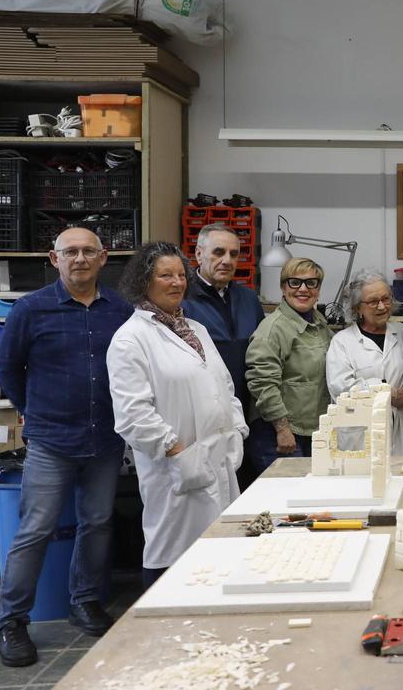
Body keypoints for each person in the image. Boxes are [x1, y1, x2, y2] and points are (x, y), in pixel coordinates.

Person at [0, 228, 134, 667]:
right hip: (52, 441)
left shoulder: (122, 311)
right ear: (54, 259)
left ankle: (85, 600)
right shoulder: (30, 310)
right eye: (69, 252)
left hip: (106, 439)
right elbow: (11, 370)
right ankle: (13, 621)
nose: (79, 258)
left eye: (87, 251)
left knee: (97, 523)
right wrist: (33, 413)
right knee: (35, 530)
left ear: (103, 258)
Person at [107, 242, 248, 588]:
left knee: (214, 558)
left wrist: (237, 431)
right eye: (165, 275)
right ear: (143, 281)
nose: (176, 282)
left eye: (181, 275)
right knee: (171, 556)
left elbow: (224, 385)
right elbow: (132, 415)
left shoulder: (195, 330)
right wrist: (176, 452)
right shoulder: (131, 339)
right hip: (175, 470)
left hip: (217, 460)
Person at [244, 257, 333, 472]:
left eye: (311, 283)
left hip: (310, 430)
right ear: (283, 287)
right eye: (295, 282)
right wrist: (282, 429)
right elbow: (262, 382)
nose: (303, 289)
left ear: (318, 289)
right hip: (280, 434)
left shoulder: (318, 322)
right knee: (283, 500)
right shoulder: (273, 328)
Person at [181, 223, 265, 422]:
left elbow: (261, 353)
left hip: (245, 411)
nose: (227, 260)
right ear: (199, 254)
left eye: (234, 254)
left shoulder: (249, 299)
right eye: (218, 252)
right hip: (200, 413)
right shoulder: (181, 300)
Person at [325, 269, 403, 455]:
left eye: (386, 299)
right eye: (373, 302)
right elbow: (341, 388)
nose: (382, 307)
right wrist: (386, 392)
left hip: (399, 428)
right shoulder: (342, 342)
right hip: (359, 433)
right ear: (357, 307)